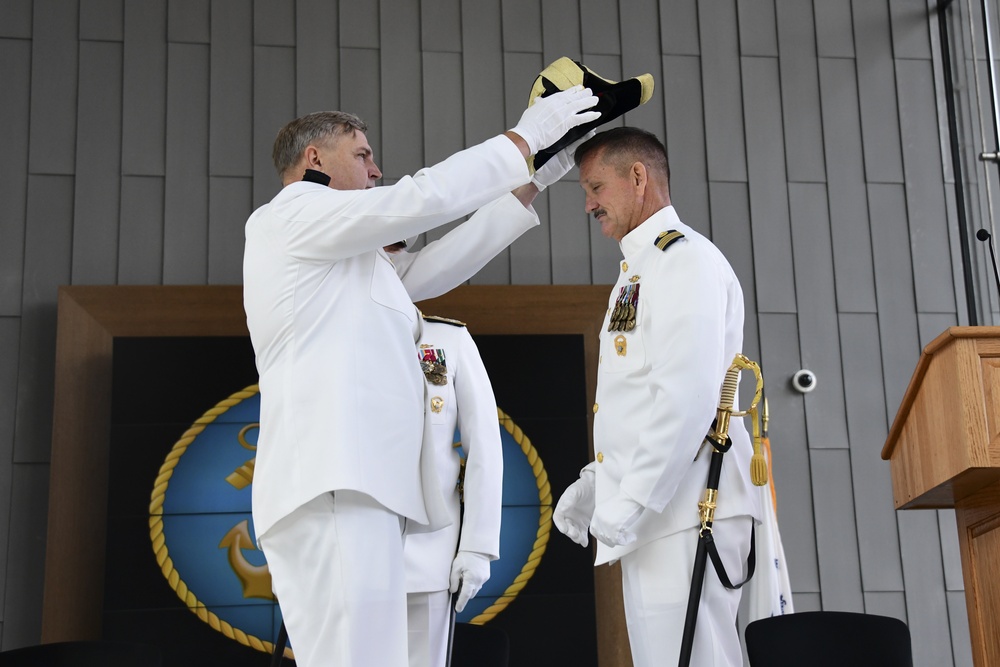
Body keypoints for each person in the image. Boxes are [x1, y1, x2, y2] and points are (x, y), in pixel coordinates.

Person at [243, 88, 599, 667]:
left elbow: (435, 265)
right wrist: (523, 139)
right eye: (361, 154)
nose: (376, 168)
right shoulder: (290, 214)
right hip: (331, 483)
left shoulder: (348, 261)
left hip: (361, 489)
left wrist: (534, 176)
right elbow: (418, 199)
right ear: (313, 160)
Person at [552, 127, 762, 667]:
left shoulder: (682, 260)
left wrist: (634, 499)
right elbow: (640, 401)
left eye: (596, 187)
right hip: (664, 513)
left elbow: (685, 397)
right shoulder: (640, 269)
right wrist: (600, 484)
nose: (588, 204)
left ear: (638, 177)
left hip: (686, 507)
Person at [401, 312, 503, 667]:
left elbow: (485, 447)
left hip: (430, 552)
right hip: (349, 549)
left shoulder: (448, 339)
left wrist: (477, 547)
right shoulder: (338, 332)